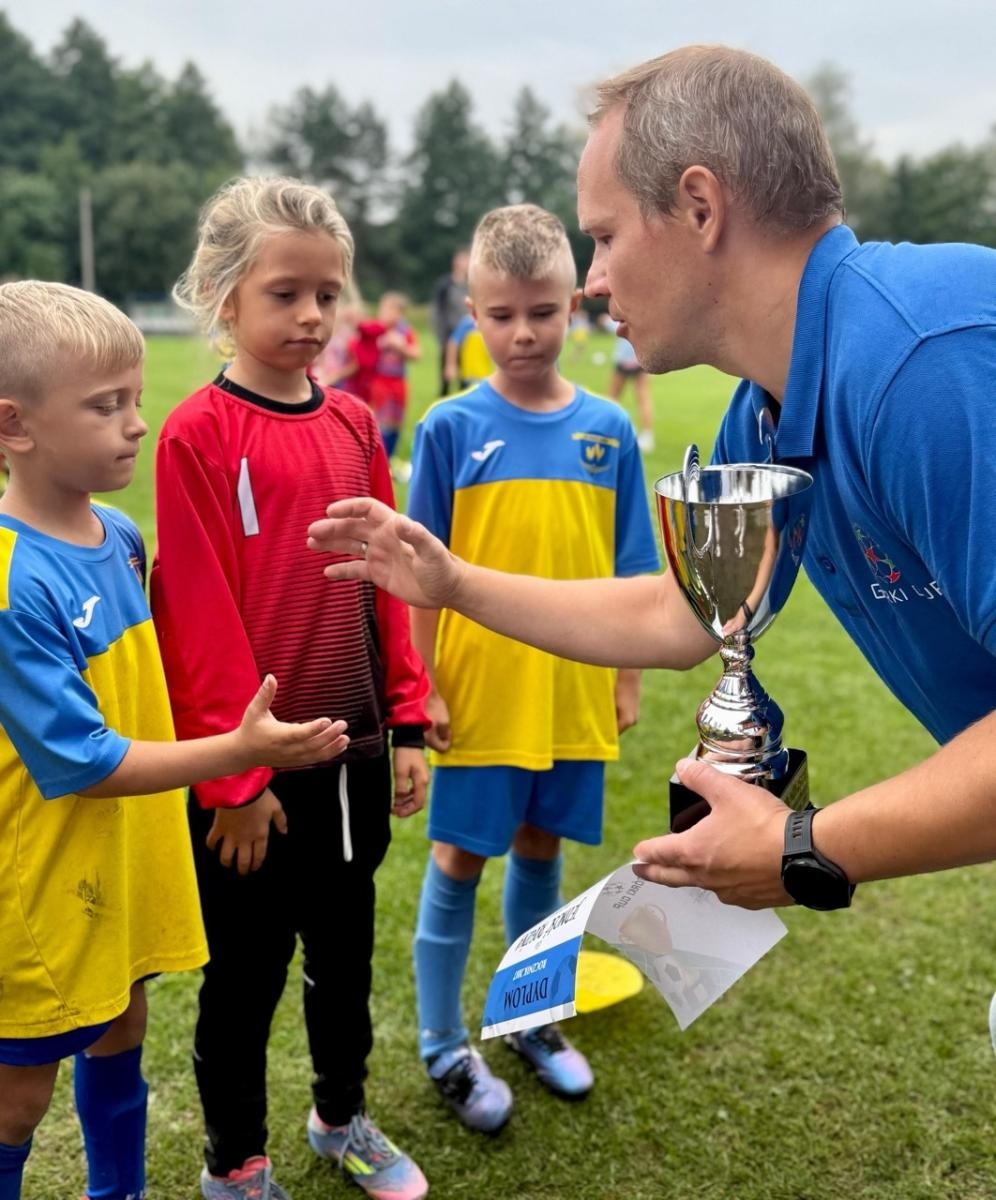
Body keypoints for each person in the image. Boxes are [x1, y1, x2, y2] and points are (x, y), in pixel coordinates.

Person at [306, 47, 996, 988]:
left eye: (605, 236)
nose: (590, 281)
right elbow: (674, 619)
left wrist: (804, 844)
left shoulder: (926, 364)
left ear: (701, 209)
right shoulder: (766, 402)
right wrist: (453, 583)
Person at [0, 281, 349, 1200]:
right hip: (40, 884)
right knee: (18, 1099)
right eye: (105, 406)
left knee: (123, 1027)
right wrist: (238, 755)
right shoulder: (10, 577)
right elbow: (81, 759)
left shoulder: (118, 536)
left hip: (123, 863)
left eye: (136, 399)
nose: (135, 425)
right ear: (15, 425)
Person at [153, 177, 431, 1200]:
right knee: (245, 981)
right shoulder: (198, 435)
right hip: (254, 780)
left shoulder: (357, 425)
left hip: (351, 760)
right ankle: (234, 1166)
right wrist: (236, 779)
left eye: (329, 292)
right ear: (225, 297)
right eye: (286, 293)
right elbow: (194, 618)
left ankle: (341, 1116)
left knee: (345, 958)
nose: (313, 315)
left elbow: (387, 583)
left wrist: (406, 723)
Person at [406, 203, 661, 1132]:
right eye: (502, 313)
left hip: (572, 687)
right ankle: (443, 1045)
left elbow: (633, 570)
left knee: (543, 849)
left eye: (543, 312)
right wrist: (423, 680)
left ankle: (531, 1019)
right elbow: (418, 576)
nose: (523, 333)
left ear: (574, 308)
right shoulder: (446, 429)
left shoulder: (605, 431)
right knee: (459, 855)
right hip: (480, 688)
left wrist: (625, 677)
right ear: (472, 312)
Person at [349, 292, 421, 482]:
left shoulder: (404, 331)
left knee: (396, 424)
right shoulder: (375, 329)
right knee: (381, 423)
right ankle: (374, 464)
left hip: (398, 382)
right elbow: (357, 337)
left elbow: (416, 354)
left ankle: (386, 462)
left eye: (390, 309)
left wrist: (400, 347)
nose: (385, 313)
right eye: (383, 308)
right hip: (378, 382)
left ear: (400, 313)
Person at [605, 318, 654, 453]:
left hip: (625, 359)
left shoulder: (623, 309)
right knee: (643, 397)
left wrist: (605, 322)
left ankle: (607, 431)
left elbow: (615, 328)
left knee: (613, 397)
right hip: (640, 359)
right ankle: (647, 435)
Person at [430, 247, 470, 395]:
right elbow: (437, 311)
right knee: (446, 376)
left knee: (467, 377)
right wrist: (441, 337)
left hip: (469, 338)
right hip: (449, 335)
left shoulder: (472, 284)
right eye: (462, 259)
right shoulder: (445, 285)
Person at [443, 312, 493, 393]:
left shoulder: (492, 322)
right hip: (469, 373)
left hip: (486, 372)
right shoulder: (468, 323)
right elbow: (453, 343)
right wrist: (451, 365)